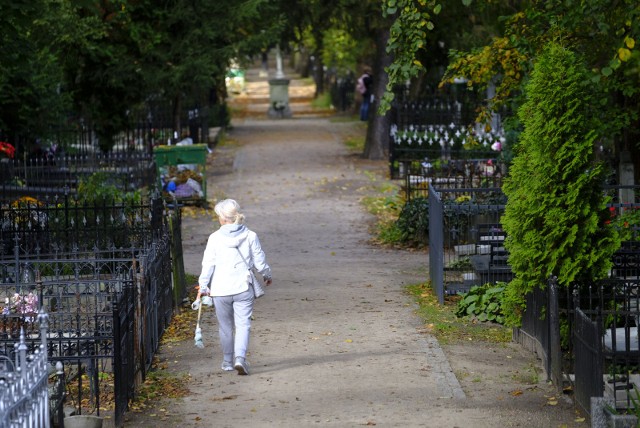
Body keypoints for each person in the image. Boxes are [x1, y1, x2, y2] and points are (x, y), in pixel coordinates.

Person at [195, 199, 272, 375]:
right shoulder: (250, 236)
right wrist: (267, 275)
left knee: (225, 327)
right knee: (243, 324)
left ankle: (227, 362)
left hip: (220, 289)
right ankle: (240, 359)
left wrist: (203, 286)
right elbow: (260, 261)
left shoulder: (214, 238)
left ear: (222, 218)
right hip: (243, 287)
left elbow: (208, 265)